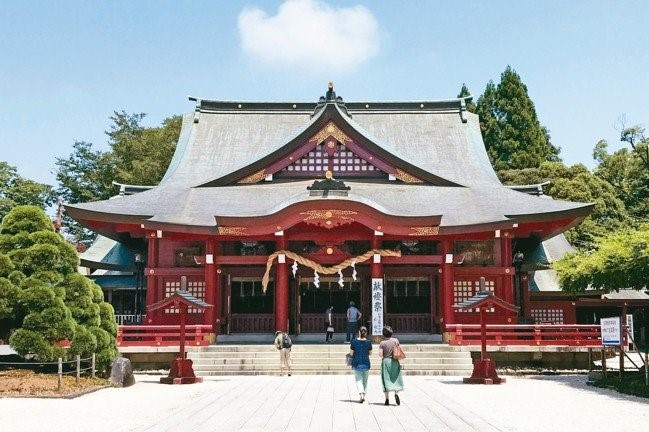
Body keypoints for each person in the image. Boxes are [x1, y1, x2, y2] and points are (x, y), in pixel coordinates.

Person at [378, 325, 403, 406]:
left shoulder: (382, 343)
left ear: (383, 334)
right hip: (395, 361)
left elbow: (380, 354)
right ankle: (396, 393)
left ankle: (387, 399)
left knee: (385, 379)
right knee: (396, 378)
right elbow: (400, 349)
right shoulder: (396, 340)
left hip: (386, 361)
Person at [349, 326, 372, 403]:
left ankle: (361, 393)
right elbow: (370, 353)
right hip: (366, 363)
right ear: (366, 333)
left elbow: (351, 354)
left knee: (358, 380)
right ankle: (363, 394)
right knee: (365, 381)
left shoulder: (354, 342)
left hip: (357, 363)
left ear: (359, 332)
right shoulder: (369, 342)